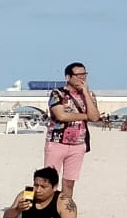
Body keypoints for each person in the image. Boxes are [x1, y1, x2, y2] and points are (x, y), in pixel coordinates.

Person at [45, 62, 105, 207]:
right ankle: (43, 209)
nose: (82, 78)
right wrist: (86, 116)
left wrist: (85, 93)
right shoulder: (57, 93)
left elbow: (95, 117)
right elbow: (61, 116)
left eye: (84, 75)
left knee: (69, 181)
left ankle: (65, 210)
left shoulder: (89, 95)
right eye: (78, 75)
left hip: (78, 144)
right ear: (68, 77)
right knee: (48, 180)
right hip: (57, 142)